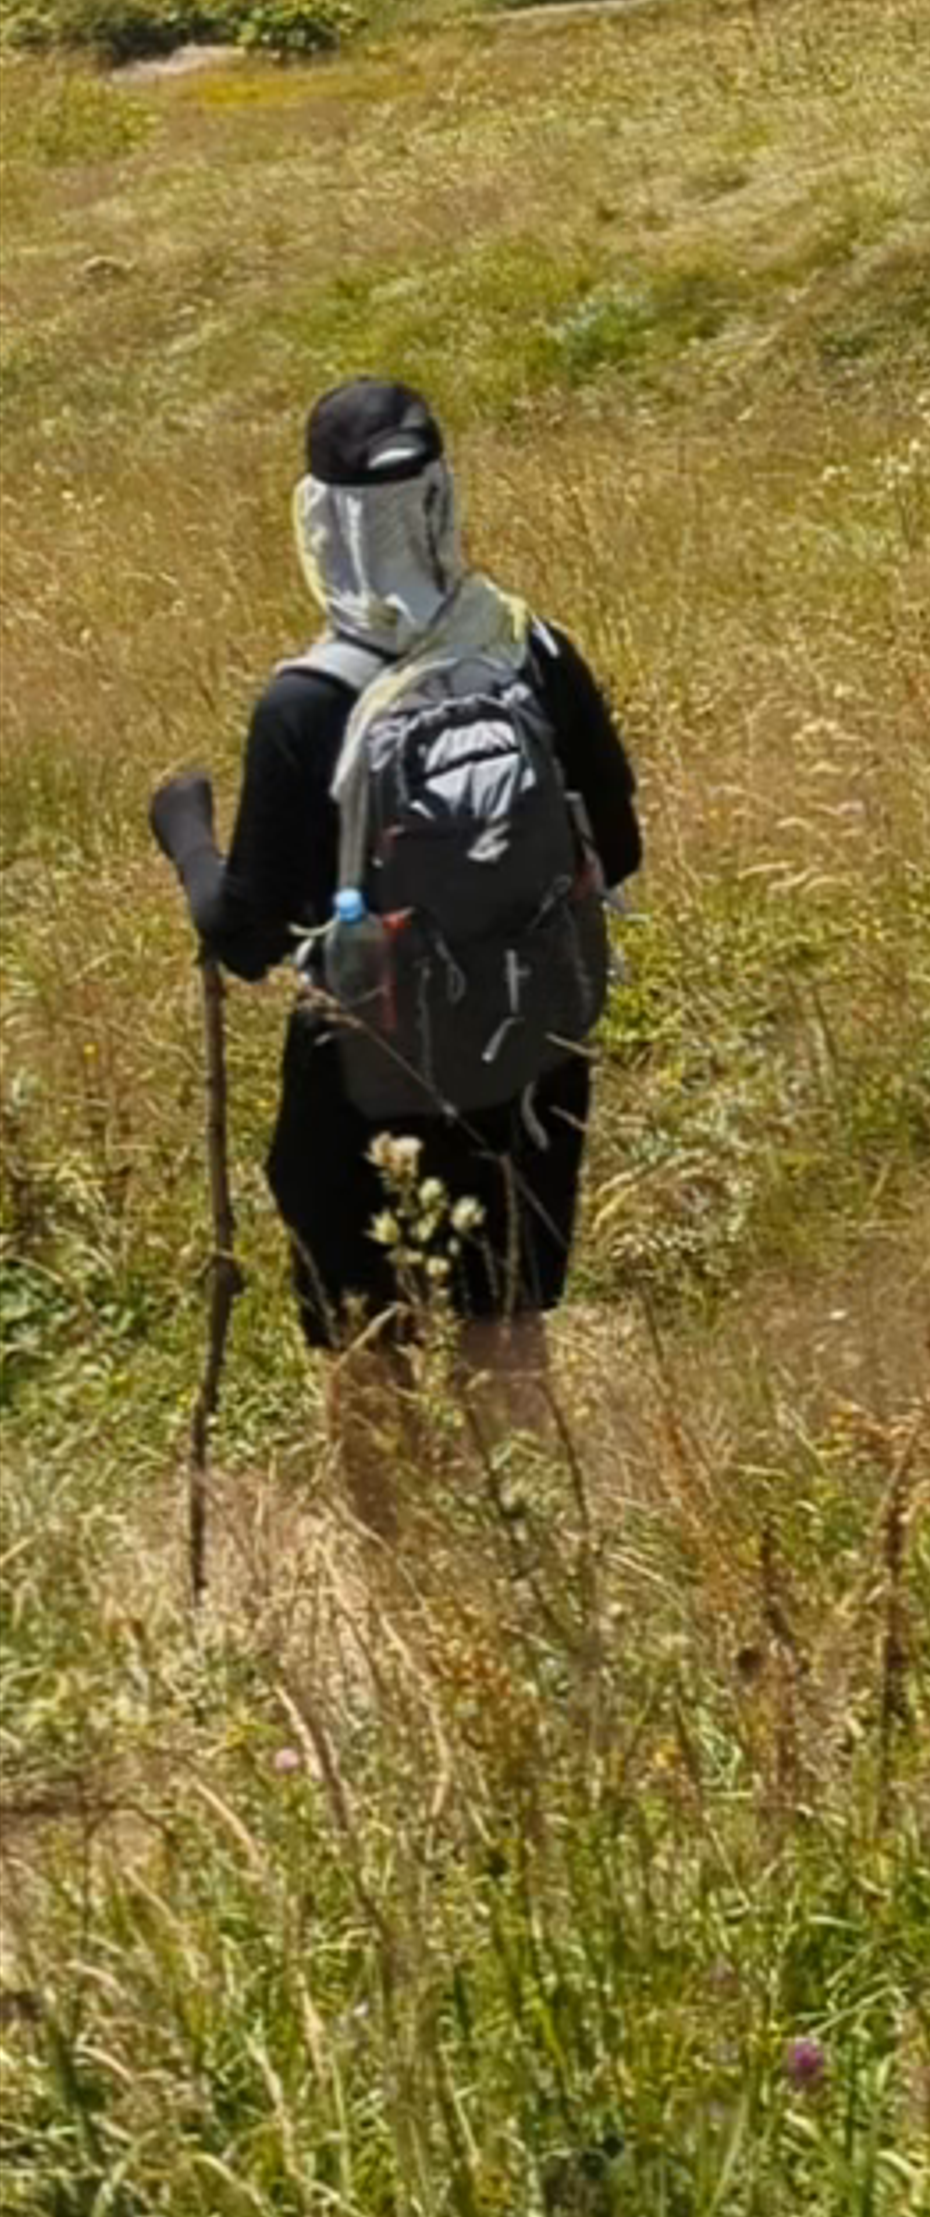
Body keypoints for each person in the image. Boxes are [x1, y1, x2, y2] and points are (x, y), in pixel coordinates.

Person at [149, 380, 643, 1524]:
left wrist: (186, 834)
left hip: (363, 1064)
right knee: (504, 1316)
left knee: (364, 1325)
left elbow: (253, 936)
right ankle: (532, 1547)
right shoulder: (531, 648)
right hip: (533, 1043)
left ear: (318, 517)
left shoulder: (308, 704)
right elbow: (613, 845)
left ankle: (407, 1572)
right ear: (442, 497)